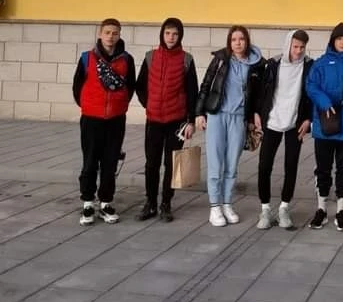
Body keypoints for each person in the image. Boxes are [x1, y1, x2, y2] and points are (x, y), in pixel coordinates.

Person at [195, 25, 264, 227]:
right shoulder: (220, 59)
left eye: (241, 39)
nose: (238, 43)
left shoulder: (256, 64)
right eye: (234, 39)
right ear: (229, 42)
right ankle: (214, 206)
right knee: (215, 163)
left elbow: (258, 94)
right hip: (217, 115)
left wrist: (254, 114)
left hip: (239, 118)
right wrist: (198, 113)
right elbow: (206, 85)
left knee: (232, 164)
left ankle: (227, 203)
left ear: (247, 41)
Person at [72, 18, 136, 226]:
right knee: (90, 161)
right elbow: (77, 86)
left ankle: (106, 202)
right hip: (91, 119)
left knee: (110, 162)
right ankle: (88, 203)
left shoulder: (127, 60)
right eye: (107, 32)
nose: (111, 36)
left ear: (119, 35)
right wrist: (89, 106)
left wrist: (119, 106)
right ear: (100, 34)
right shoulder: (87, 58)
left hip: (115, 120)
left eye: (115, 33)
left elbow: (130, 87)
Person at [135, 18, 199, 223]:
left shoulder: (186, 60)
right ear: (162, 35)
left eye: (175, 34)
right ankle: (150, 203)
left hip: (176, 121)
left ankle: (166, 204)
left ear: (180, 36)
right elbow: (140, 85)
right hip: (154, 120)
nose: (171, 37)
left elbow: (192, 92)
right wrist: (149, 104)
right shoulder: (150, 57)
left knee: (171, 164)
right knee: (151, 163)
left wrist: (190, 121)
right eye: (168, 33)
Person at [254, 29, 313, 230]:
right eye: (295, 46)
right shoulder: (273, 64)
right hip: (272, 121)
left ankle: (284, 208)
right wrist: (257, 113)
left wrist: (309, 119)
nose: (298, 51)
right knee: (264, 166)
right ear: (288, 44)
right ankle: (265, 209)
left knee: (291, 166)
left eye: (302, 47)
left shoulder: (309, 66)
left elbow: (311, 95)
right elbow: (262, 91)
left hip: (295, 124)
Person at [305, 22, 343, 230]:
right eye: (339, 39)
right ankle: (321, 209)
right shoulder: (320, 64)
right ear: (333, 41)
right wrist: (324, 102)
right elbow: (311, 85)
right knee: (323, 169)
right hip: (325, 125)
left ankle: (340, 210)